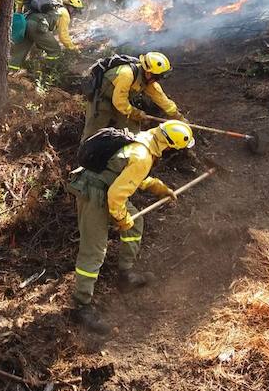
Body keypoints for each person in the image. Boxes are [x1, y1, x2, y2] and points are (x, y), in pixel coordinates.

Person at [67, 120, 195, 333]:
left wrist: (156, 186)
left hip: (106, 187)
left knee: (136, 223)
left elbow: (124, 172)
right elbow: (116, 195)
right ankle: (81, 306)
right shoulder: (143, 155)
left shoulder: (143, 137)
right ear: (171, 145)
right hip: (94, 193)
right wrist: (121, 218)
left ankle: (125, 275)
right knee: (94, 251)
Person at [83, 51, 179, 140]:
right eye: (158, 77)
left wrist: (177, 116)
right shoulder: (126, 75)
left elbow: (160, 98)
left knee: (132, 132)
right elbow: (119, 102)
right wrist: (135, 113)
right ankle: (86, 153)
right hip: (102, 100)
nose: (158, 80)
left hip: (122, 102)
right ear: (149, 73)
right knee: (94, 133)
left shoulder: (147, 80)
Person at [9, 0, 83, 70]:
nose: (75, 13)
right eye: (75, 10)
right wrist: (73, 48)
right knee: (55, 50)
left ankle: (8, 72)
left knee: (19, 53)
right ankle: (48, 71)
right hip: (37, 27)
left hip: (27, 23)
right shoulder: (65, 14)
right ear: (70, 6)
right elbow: (63, 36)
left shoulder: (55, 8)